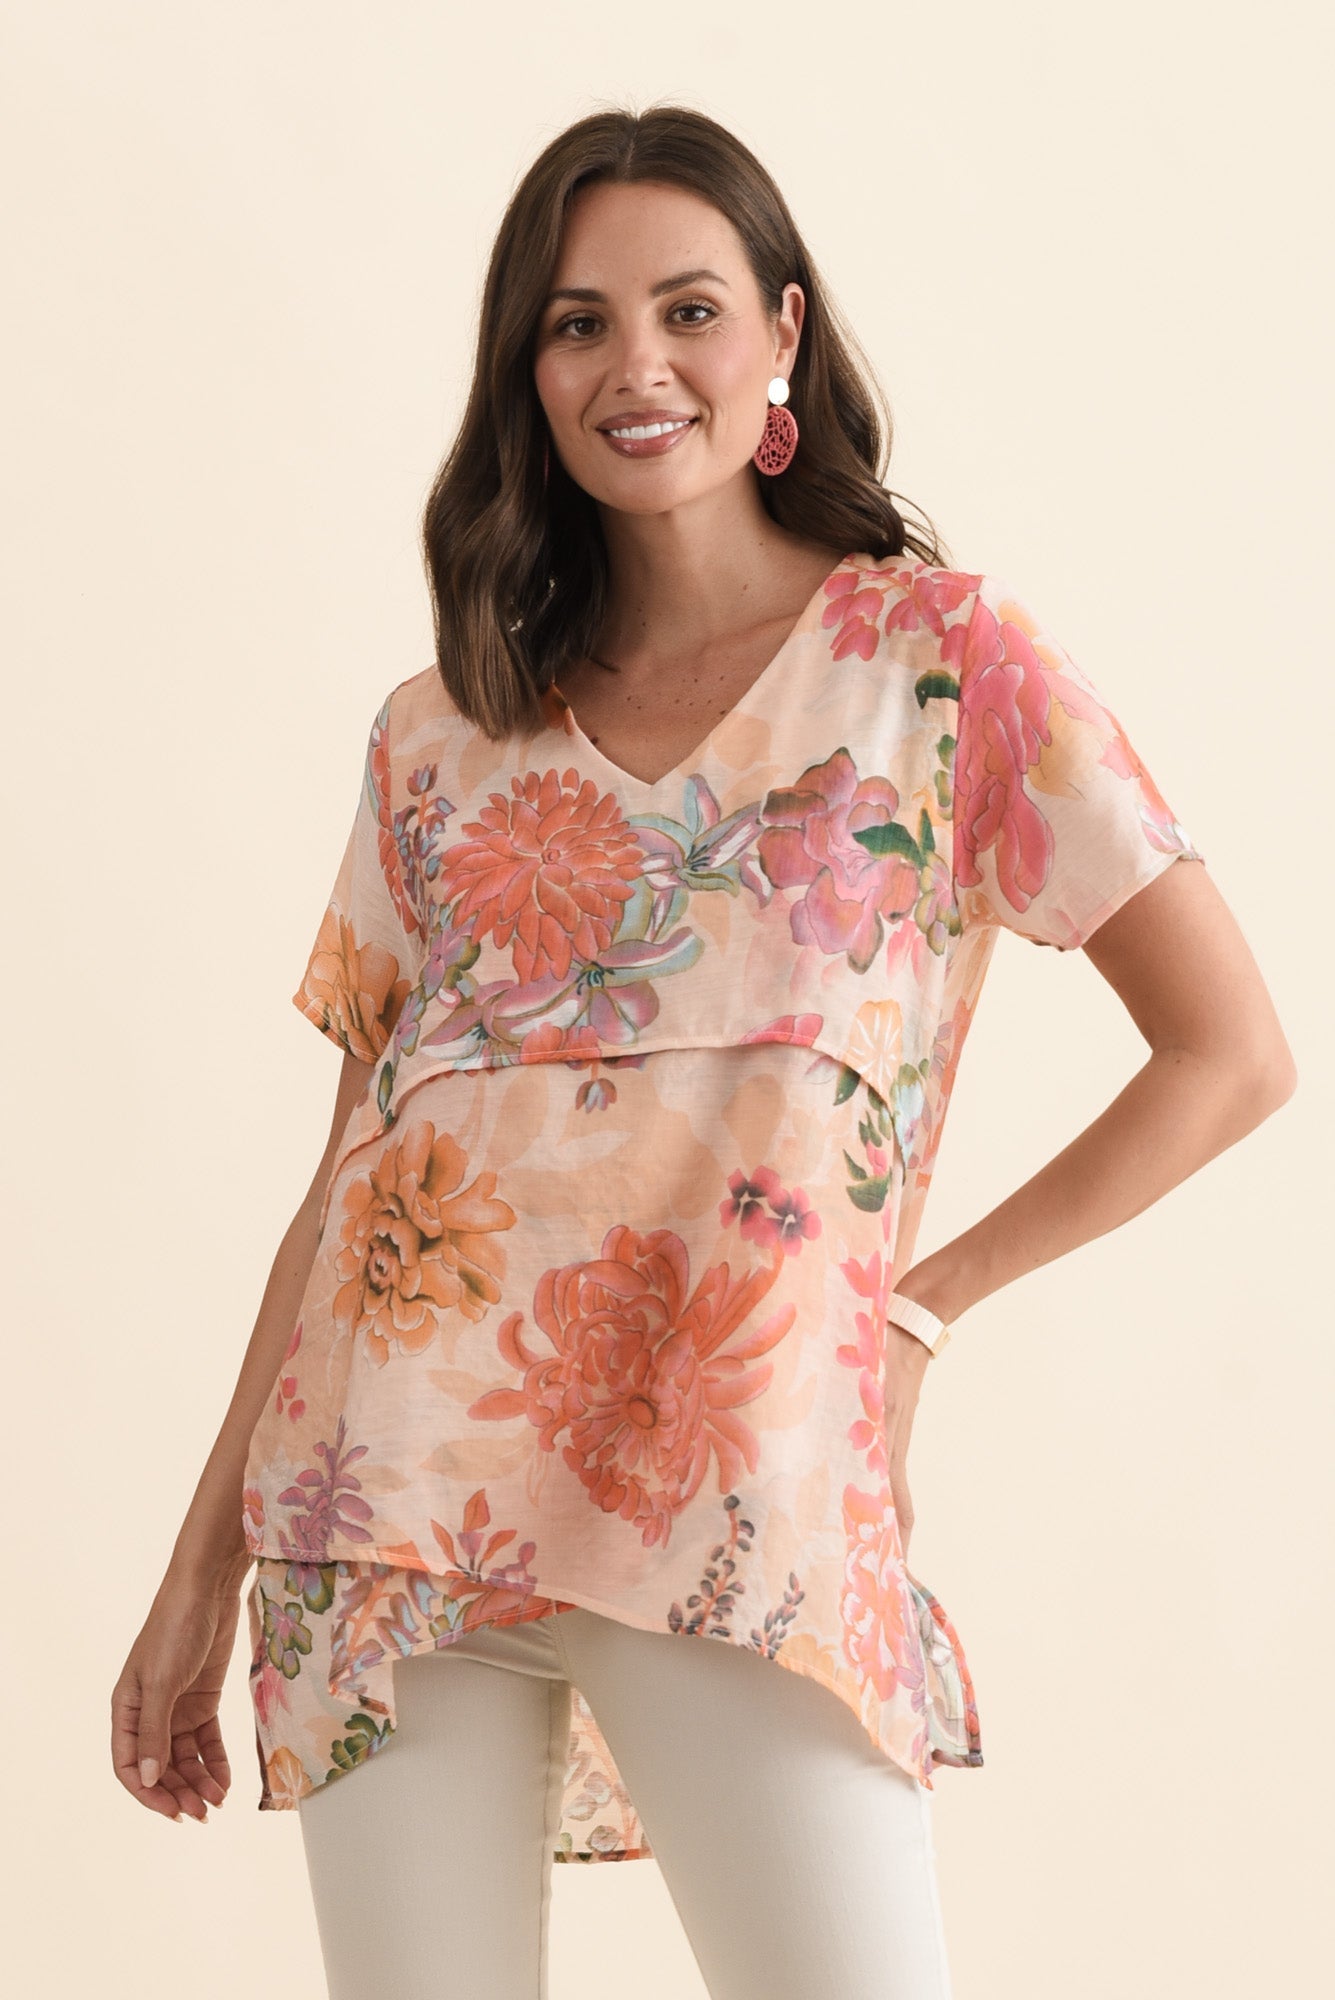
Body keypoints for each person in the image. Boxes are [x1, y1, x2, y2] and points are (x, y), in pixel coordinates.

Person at [111, 104, 1296, 2000]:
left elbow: (1231, 1053)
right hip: (381, 1504)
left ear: (782, 340)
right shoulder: (439, 736)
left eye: (689, 310)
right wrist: (200, 1568)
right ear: (527, 374)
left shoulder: (938, 663)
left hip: (739, 1485)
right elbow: (349, 1183)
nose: (635, 366)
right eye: (577, 324)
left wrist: (918, 1315)